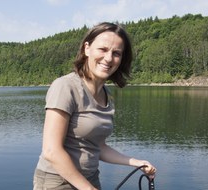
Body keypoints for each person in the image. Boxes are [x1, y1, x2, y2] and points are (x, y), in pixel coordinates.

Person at [33, 22, 156, 190]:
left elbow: (98, 147)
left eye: (116, 53)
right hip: (57, 182)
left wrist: (136, 163)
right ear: (87, 48)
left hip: (90, 179)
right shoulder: (65, 86)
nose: (108, 58)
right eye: (103, 49)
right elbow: (51, 151)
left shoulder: (107, 95)